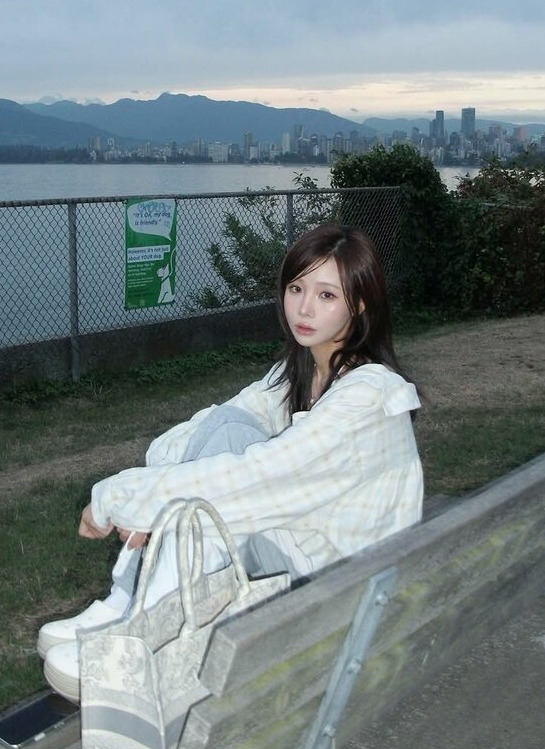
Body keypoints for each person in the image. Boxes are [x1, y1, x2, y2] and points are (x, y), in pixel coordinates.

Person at [40, 222, 423, 700]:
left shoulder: (366, 397)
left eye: (327, 295)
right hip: (311, 560)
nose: (304, 308)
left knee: (226, 485)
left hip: (335, 590)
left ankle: (145, 630)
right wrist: (145, 502)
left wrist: (124, 500)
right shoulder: (300, 372)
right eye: (297, 289)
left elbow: (258, 476)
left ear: (360, 304)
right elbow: (212, 426)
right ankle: (131, 603)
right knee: (226, 430)